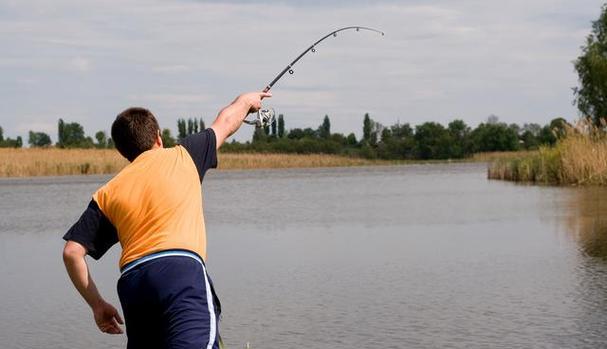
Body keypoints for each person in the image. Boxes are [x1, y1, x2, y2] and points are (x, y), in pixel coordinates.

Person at [62, 91, 271, 349]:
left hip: (133, 283)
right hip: (179, 273)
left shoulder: (109, 192)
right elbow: (226, 121)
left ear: (122, 152)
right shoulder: (184, 156)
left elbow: (72, 252)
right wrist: (247, 101)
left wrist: (97, 304)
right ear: (158, 137)